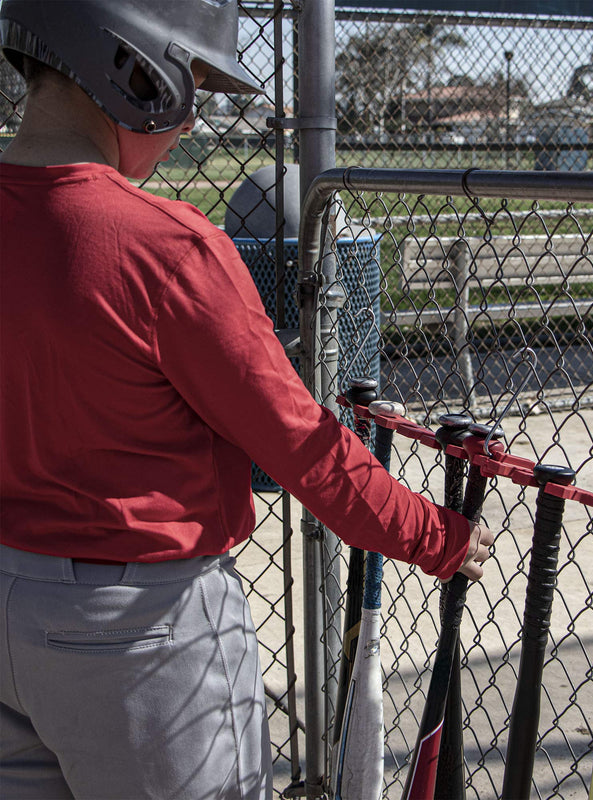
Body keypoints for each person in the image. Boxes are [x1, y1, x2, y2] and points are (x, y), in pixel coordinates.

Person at [0, 2, 494, 798]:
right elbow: (303, 446)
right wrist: (434, 535)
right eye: (191, 82)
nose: (190, 121)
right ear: (136, 70)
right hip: (142, 632)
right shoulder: (164, 245)